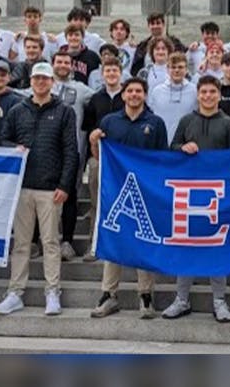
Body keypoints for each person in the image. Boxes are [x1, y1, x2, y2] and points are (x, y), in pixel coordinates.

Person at [0, 62, 79, 317]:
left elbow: (71, 151)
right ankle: (15, 292)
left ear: (52, 81)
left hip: (51, 189)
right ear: (30, 81)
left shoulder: (64, 112)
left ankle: (52, 291)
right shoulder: (18, 110)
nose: (41, 82)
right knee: (21, 243)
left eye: (45, 78)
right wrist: (13, 148)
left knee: (50, 242)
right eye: (37, 78)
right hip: (22, 186)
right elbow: (3, 139)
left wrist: (65, 185)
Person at [162, 76, 230, 323]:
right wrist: (182, 148)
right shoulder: (187, 120)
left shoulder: (229, 123)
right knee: (186, 246)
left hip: (218, 196)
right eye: (204, 92)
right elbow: (172, 146)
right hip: (189, 194)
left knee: (217, 249)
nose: (208, 96)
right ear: (198, 95)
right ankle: (181, 299)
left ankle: (219, 300)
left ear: (219, 95)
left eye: (212, 92)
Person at [87, 76, 168, 319]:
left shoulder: (155, 123)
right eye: (130, 91)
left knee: (144, 240)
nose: (134, 95)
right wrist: (93, 142)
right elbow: (101, 157)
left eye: (138, 91)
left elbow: (162, 159)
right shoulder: (110, 121)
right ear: (123, 95)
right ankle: (108, 294)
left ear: (145, 95)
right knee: (114, 238)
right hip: (116, 192)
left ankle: (146, 295)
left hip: (145, 190)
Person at [50, 50, 95, 261]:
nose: (62, 65)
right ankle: (38, 241)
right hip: (46, 151)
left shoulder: (81, 89)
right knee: (43, 197)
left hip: (72, 151)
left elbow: (101, 98)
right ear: (52, 64)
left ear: (72, 66)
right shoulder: (42, 83)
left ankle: (67, 241)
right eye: (59, 61)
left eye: (66, 62)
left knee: (70, 195)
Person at [81, 56, 126, 261]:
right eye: (108, 71)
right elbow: (87, 128)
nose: (111, 74)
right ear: (102, 74)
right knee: (97, 203)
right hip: (99, 157)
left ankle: (123, 246)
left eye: (115, 70)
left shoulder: (129, 95)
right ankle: (94, 245)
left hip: (124, 160)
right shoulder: (95, 99)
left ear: (120, 73)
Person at [147, 52, 198, 146]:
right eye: (173, 67)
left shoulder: (195, 91)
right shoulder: (157, 91)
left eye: (180, 67)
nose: (176, 70)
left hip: (185, 145)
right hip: (161, 144)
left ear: (186, 69)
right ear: (167, 69)